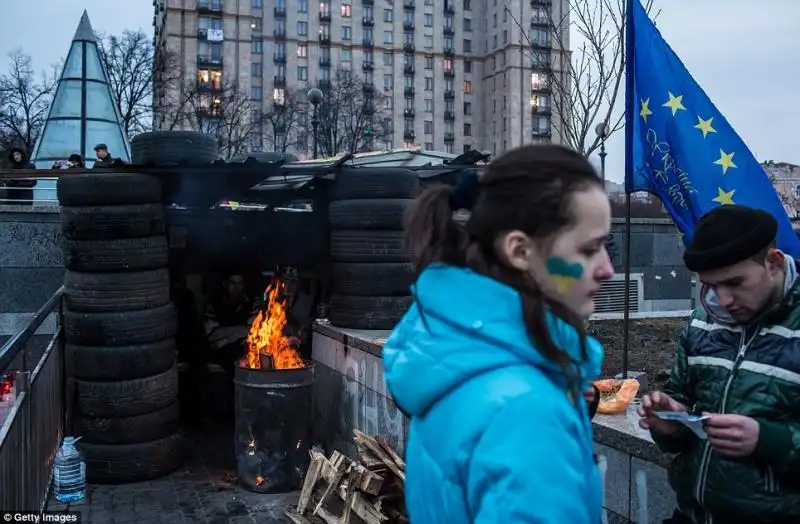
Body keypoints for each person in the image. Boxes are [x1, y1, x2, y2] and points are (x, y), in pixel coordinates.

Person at [382, 144, 614, 523]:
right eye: (589, 250)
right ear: (520, 250)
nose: (607, 268)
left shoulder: (452, 351)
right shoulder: (527, 414)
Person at [637, 205, 800, 524]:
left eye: (735, 283)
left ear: (774, 262)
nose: (723, 300)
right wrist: (672, 423)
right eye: (710, 286)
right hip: (691, 515)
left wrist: (768, 440)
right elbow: (683, 402)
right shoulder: (702, 323)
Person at [203, 273, 259, 376]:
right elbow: (211, 333)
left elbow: (253, 331)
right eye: (233, 283)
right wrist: (239, 331)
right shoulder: (214, 303)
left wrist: (226, 339)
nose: (236, 287)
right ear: (225, 284)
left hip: (243, 347)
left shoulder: (251, 303)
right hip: (221, 351)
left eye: (240, 283)